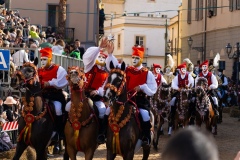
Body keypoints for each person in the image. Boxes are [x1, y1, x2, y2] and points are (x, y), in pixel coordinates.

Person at [106, 45, 157, 148]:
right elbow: (113, 66)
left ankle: (146, 137)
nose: (134, 60)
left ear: (141, 59)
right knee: (108, 111)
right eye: (133, 57)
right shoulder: (127, 69)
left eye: (137, 58)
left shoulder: (147, 73)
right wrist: (110, 54)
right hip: (126, 98)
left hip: (140, 100)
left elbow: (153, 90)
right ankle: (103, 133)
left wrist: (142, 87)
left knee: (145, 114)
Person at [66, 37, 109, 144]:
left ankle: (100, 133)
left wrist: (98, 91)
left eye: (103, 58)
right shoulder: (89, 67)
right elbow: (87, 56)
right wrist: (99, 48)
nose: (101, 59)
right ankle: (63, 131)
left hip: (96, 97)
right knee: (67, 107)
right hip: (83, 94)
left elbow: (104, 87)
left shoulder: (106, 74)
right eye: (99, 57)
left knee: (102, 110)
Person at [38, 47, 68, 142]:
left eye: (45, 59)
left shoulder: (59, 69)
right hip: (42, 95)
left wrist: (50, 83)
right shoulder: (39, 70)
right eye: (41, 59)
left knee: (58, 108)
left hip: (55, 95)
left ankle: (58, 131)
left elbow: (63, 81)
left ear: (50, 59)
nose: (42, 61)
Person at [168, 62, 194, 135]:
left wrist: (188, 87)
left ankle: (192, 115)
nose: (184, 70)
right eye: (182, 69)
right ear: (180, 70)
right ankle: (172, 113)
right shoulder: (177, 77)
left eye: (185, 69)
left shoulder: (189, 76)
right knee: (173, 100)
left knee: (192, 100)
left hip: (187, 92)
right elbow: (173, 84)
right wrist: (177, 88)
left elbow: (192, 82)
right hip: (179, 92)